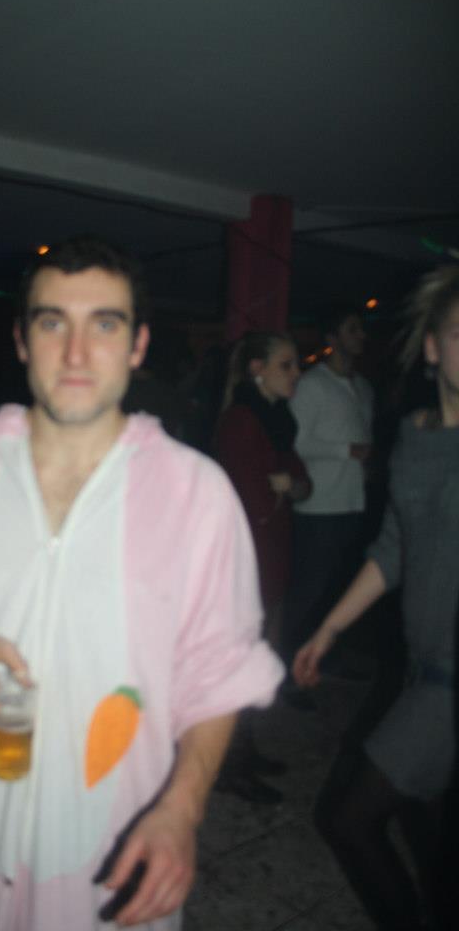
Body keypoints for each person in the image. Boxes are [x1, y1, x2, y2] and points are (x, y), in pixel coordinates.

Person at [0, 236, 283, 931]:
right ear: (22, 341)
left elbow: (220, 668)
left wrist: (181, 811)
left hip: (118, 850)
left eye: (104, 324)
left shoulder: (194, 493)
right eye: (53, 322)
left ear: (138, 345)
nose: (76, 353)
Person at [293, 265, 459, 931]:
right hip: (422, 672)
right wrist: (328, 629)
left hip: (449, 689)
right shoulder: (415, 436)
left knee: (348, 820)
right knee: (432, 843)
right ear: (432, 347)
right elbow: (393, 548)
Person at [214, 332, 310, 804]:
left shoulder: (277, 420)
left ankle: (244, 751)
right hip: (246, 559)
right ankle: (228, 765)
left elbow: (304, 484)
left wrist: (289, 484)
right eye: (286, 364)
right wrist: (284, 487)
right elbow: (248, 500)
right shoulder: (240, 421)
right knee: (241, 663)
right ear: (257, 368)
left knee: (259, 659)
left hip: (271, 552)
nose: (297, 373)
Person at [284, 305, 374, 675]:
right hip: (319, 505)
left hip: (353, 501)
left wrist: (365, 464)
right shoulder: (311, 385)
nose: (362, 336)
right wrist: (346, 451)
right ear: (332, 338)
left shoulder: (364, 387)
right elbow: (297, 443)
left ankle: (326, 659)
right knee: (310, 591)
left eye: (361, 329)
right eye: (353, 329)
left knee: (340, 590)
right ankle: (289, 665)